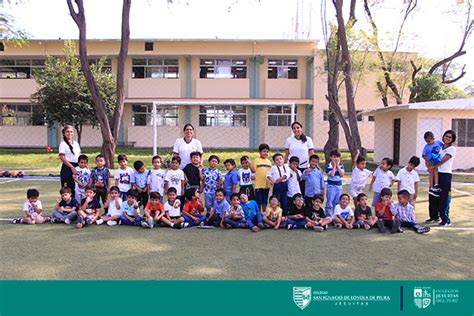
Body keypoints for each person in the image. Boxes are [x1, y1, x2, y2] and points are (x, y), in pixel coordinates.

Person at [427, 130, 457, 226]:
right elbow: (432, 156)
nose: (447, 138)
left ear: (452, 140)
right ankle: (434, 217)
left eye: (449, 137)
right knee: (432, 195)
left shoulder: (452, 149)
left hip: (445, 175)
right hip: (435, 174)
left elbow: (443, 160)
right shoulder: (439, 147)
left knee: (444, 197)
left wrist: (433, 167)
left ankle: (445, 219)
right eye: (446, 136)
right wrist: (429, 165)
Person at [284, 121, 314, 193]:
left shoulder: (308, 139)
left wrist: (312, 166)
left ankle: (302, 203)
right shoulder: (289, 140)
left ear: (301, 128)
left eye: (298, 128)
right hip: (292, 167)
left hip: (304, 167)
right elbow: (286, 154)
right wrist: (284, 165)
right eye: (294, 128)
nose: (296, 130)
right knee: (291, 187)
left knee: (302, 187)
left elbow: (311, 154)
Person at [58, 125, 81, 197]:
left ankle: (76, 205)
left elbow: (78, 156)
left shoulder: (76, 143)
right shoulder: (63, 144)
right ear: (64, 133)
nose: (69, 133)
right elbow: (62, 157)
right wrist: (71, 167)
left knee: (77, 187)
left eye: (71, 132)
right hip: (67, 167)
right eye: (67, 132)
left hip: (77, 166)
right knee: (67, 188)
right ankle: (66, 205)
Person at [250, 143, 272, 212]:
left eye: (267, 151)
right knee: (258, 201)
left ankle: (264, 213)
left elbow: (271, 172)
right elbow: (253, 170)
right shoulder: (257, 160)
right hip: (259, 185)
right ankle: (258, 214)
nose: (266, 153)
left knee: (265, 201)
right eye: (264, 151)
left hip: (267, 185)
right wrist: (249, 164)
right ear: (260, 152)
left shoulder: (269, 162)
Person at [422, 131, 444, 196]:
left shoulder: (438, 143)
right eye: (426, 141)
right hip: (429, 161)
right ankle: (431, 186)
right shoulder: (426, 146)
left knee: (436, 171)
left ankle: (436, 184)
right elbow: (423, 155)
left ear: (433, 138)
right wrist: (428, 161)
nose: (428, 142)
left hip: (436, 160)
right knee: (431, 173)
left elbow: (444, 147)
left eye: (429, 141)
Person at [325, 150, 345, 218]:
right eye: (334, 157)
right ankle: (327, 215)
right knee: (329, 201)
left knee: (337, 202)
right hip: (331, 186)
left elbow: (342, 174)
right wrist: (334, 166)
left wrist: (338, 166)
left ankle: (335, 216)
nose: (336, 158)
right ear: (330, 157)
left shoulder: (341, 165)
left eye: (337, 157)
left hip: (339, 186)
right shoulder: (328, 166)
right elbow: (332, 174)